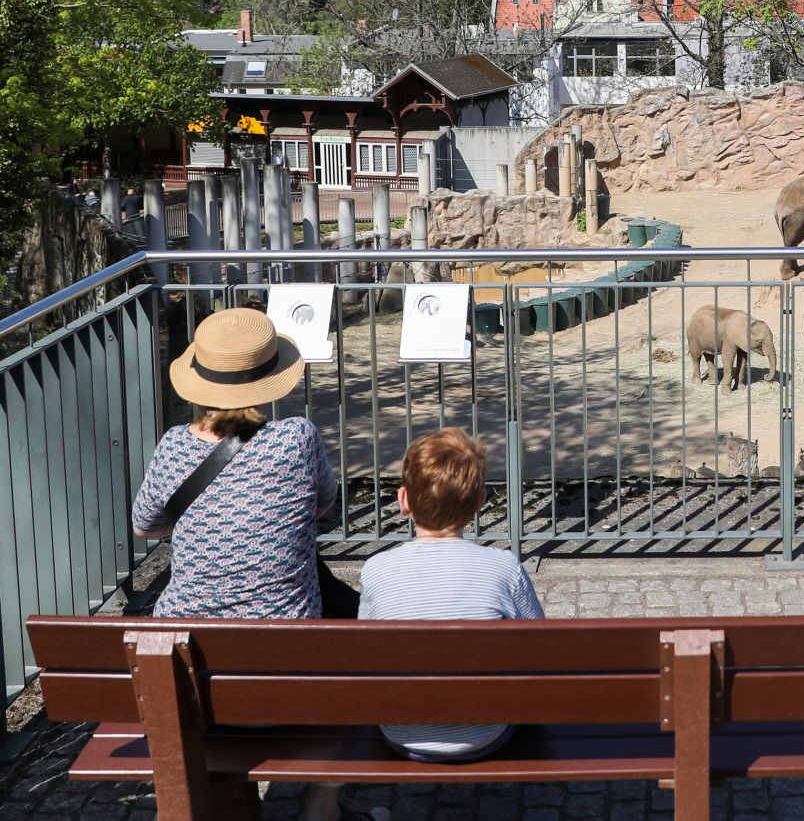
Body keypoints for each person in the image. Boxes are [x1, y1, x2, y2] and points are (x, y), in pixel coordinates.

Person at [132, 307, 350, 619]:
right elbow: (321, 504)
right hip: (287, 637)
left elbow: (144, 526)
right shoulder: (297, 439)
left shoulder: (174, 445)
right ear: (269, 378)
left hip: (188, 639)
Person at [359, 428, 545, 762]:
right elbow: (540, 647)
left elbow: (367, 655)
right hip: (486, 732)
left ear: (403, 501)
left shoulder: (377, 569)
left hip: (401, 732)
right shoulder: (503, 567)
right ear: (480, 502)